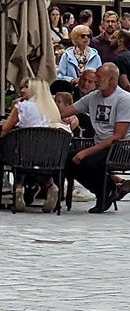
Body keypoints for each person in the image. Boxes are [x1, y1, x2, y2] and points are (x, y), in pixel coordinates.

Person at [59, 63, 130, 212]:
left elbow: (117, 136)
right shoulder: (93, 97)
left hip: (123, 148)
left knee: (87, 160)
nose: (95, 79)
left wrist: (86, 151)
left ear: (112, 80)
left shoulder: (124, 99)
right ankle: (108, 189)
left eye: (99, 77)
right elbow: (65, 112)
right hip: (101, 146)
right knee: (66, 159)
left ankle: (105, 193)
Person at [1, 78, 70, 211]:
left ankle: (18, 186)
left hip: (23, 155)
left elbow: (5, 129)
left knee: (13, 152)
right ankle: (50, 185)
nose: (22, 90)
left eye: (26, 87)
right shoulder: (52, 108)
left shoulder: (22, 106)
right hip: (49, 157)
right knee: (35, 159)